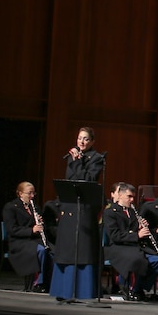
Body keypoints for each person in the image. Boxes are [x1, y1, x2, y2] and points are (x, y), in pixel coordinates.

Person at [52, 126, 105, 300]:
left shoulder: (96, 158)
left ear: (92, 142)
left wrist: (77, 162)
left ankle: (82, 290)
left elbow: (87, 180)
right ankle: (64, 289)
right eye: (79, 138)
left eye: (85, 139)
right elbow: (70, 180)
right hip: (69, 207)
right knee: (66, 246)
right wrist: (75, 161)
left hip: (84, 208)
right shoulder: (73, 157)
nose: (81, 142)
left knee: (82, 247)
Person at [103, 182, 158, 300]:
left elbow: (134, 229)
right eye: (129, 197)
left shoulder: (132, 211)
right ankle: (130, 289)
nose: (131, 200)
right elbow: (115, 235)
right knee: (137, 259)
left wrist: (141, 227)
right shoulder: (110, 212)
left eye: (133, 197)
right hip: (118, 247)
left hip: (134, 246)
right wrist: (137, 235)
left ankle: (139, 287)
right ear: (120, 196)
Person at [2, 181, 52, 291]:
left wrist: (40, 223)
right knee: (40, 251)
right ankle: (38, 282)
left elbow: (43, 228)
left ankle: (49, 284)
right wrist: (31, 230)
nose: (32, 196)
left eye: (34, 193)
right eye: (29, 193)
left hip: (33, 240)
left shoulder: (35, 207)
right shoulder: (11, 207)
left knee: (52, 251)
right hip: (18, 241)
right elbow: (12, 229)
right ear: (20, 194)